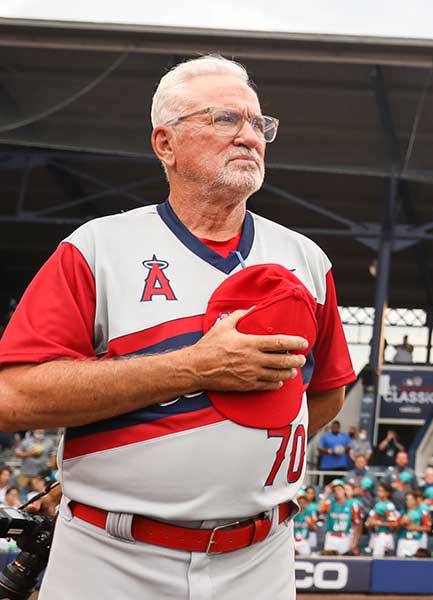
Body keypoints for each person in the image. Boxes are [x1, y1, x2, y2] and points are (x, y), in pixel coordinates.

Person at [0, 55, 356, 599]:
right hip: (110, 559)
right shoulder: (97, 247)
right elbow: (13, 396)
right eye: (225, 120)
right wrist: (194, 367)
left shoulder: (307, 258)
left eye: (258, 124)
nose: (249, 137)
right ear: (165, 144)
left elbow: (324, 395)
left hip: (260, 562)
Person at [319, 479, 363, 556]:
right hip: (331, 537)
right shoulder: (330, 503)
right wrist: (326, 494)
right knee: (329, 560)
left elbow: (357, 524)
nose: (337, 492)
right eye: (334, 490)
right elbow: (320, 509)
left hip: (345, 537)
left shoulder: (352, 504)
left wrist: (354, 542)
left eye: (339, 489)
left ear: (344, 490)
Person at [366, 483, 399, 558]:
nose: (379, 493)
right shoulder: (377, 504)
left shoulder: (389, 505)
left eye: (381, 491)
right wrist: (369, 523)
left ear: (387, 493)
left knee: (379, 559)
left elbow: (394, 524)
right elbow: (371, 520)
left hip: (384, 535)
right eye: (378, 491)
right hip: (375, 535)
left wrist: (378, 523)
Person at [397, 491, 430, 557]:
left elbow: (428, 528)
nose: (408, 502)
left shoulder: (422, 512)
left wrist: (416, 528)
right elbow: (396, 529)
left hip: (415, 540)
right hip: (403, 540)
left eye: (411, 500)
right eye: (407, 500)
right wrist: (402, 523)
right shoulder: (402, 512)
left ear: (415, 500)